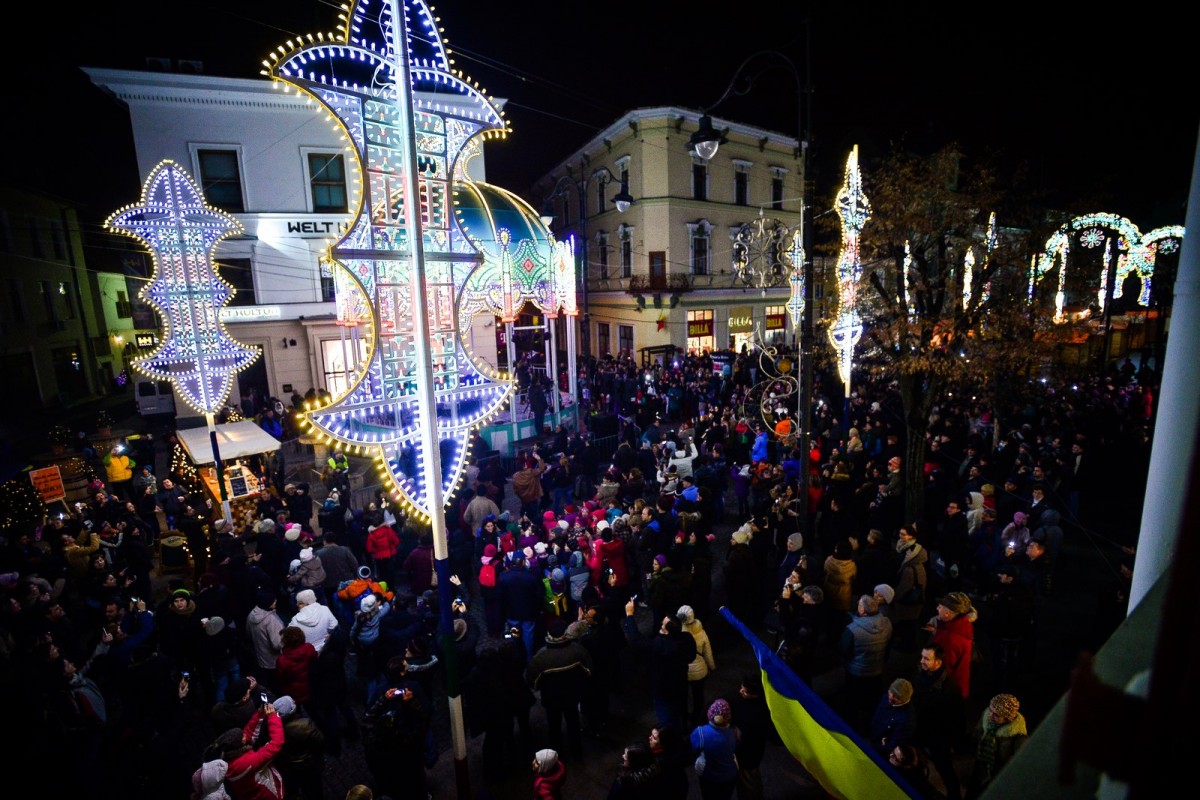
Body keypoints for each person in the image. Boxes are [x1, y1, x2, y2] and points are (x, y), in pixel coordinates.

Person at [623, 596, 696, 731]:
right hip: (680, 683)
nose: (660, 627)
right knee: (680, 710)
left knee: (667, 718)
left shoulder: (660, 645)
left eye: (662, 626)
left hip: (663, 689)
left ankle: (671, 737)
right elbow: (691, 657)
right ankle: (682, 729)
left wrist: (629, 615)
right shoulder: (687, 639)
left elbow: (636, 640)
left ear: (667, 631)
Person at [526, 617, 592, 760]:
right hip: (572, 696)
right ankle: (577, 752)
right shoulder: (577, 650)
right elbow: (589, 670)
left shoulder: (540, 657)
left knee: (554, 727)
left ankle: (557, 756)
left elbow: (532, 682)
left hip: (551, 699)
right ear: (564, 633)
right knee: (573, 723)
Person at [362, 679, 432, 800]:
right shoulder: (408, 742)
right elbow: (423, 720)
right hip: (411, 774)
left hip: (387, 779)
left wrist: (383, 700)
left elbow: (367, 719)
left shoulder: (371, 742)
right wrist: (411, 702)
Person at [914, 643, 967, 800]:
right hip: (920, 730)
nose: (922, 661)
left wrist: (955, 743)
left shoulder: (950, 690)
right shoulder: (920, 675)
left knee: (945, 768)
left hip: (938, 737)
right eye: (922, 657)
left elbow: (958, 719)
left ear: (938, 662)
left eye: (926, 659)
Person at [210, 698, 286, 800]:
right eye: (243, 737)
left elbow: (247, 732)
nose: (245, 736)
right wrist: (273, 717)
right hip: (269, 795)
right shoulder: (249, 762)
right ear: (240, 744)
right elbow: (276, 743)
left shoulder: (226, 759)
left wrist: (259, 713)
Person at [838, 594, 893, 729]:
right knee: (871, 700)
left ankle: (852, 726)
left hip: (856, 672)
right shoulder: (887, 623)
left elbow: (843, 649)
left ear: (862, 610)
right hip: (876, 670)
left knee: (852, 701)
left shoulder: (852, 629)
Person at [967, 693, 1028, 797]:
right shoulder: (987, 716)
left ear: (1007, 718)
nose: (990, 715)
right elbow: (977, 733)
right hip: (981, 764)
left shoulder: (1018, 736)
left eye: (996, 715)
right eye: (990, 710)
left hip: (997, 772)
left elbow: (1017, 763)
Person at [271, 695, 326, 800]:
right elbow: (319, 741)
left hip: (289, 769)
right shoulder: (305, 725)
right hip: (309, 766)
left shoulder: (273, 730)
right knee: (315, 791)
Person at [728, 672, 773, 800]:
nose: (741, 691)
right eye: (742, 687)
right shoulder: (764, 705)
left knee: (748, 783)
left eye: (745, 691)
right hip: (752, 752)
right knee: (751, 780)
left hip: (748, 753)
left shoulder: (757, 713)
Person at [925, 591, 976, 699]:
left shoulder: (950, 639)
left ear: (948, 613)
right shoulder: (962, 625)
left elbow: (942, 667)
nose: (937, 609)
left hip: (947, 690)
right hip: (957, 686)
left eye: (940, 607)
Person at [690, 698, 740, 800]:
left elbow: (693, 749)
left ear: (709, 714)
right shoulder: (736, 732)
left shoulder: (700, 733)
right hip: (730, 775)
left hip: (708, 775)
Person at [678, 604, 716, 728]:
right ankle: (696, 719)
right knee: (698, 695)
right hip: (700, 671)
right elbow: (708, 653)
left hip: (683, 671)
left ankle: (683, 721)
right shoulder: (701, 632)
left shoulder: (677, 634)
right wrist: (712, 667)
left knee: (682, 696)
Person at [868, 678, 917, 758]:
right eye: (890, 692)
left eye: (896, 697)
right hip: (873, 735)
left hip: (878, 750)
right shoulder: (887, 697)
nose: (891, 697)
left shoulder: (906, 720)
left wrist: (873, 748)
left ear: (904, 699)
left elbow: (893, 745)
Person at [290, 589, 338, 653]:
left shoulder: (295, 620)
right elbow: (334, 626)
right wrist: (329, 635)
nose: (296, 605)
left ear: (304, 603)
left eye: (299, 603)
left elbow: (289, 639)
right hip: (325, 648)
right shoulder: (325, 609)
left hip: (307, 653)